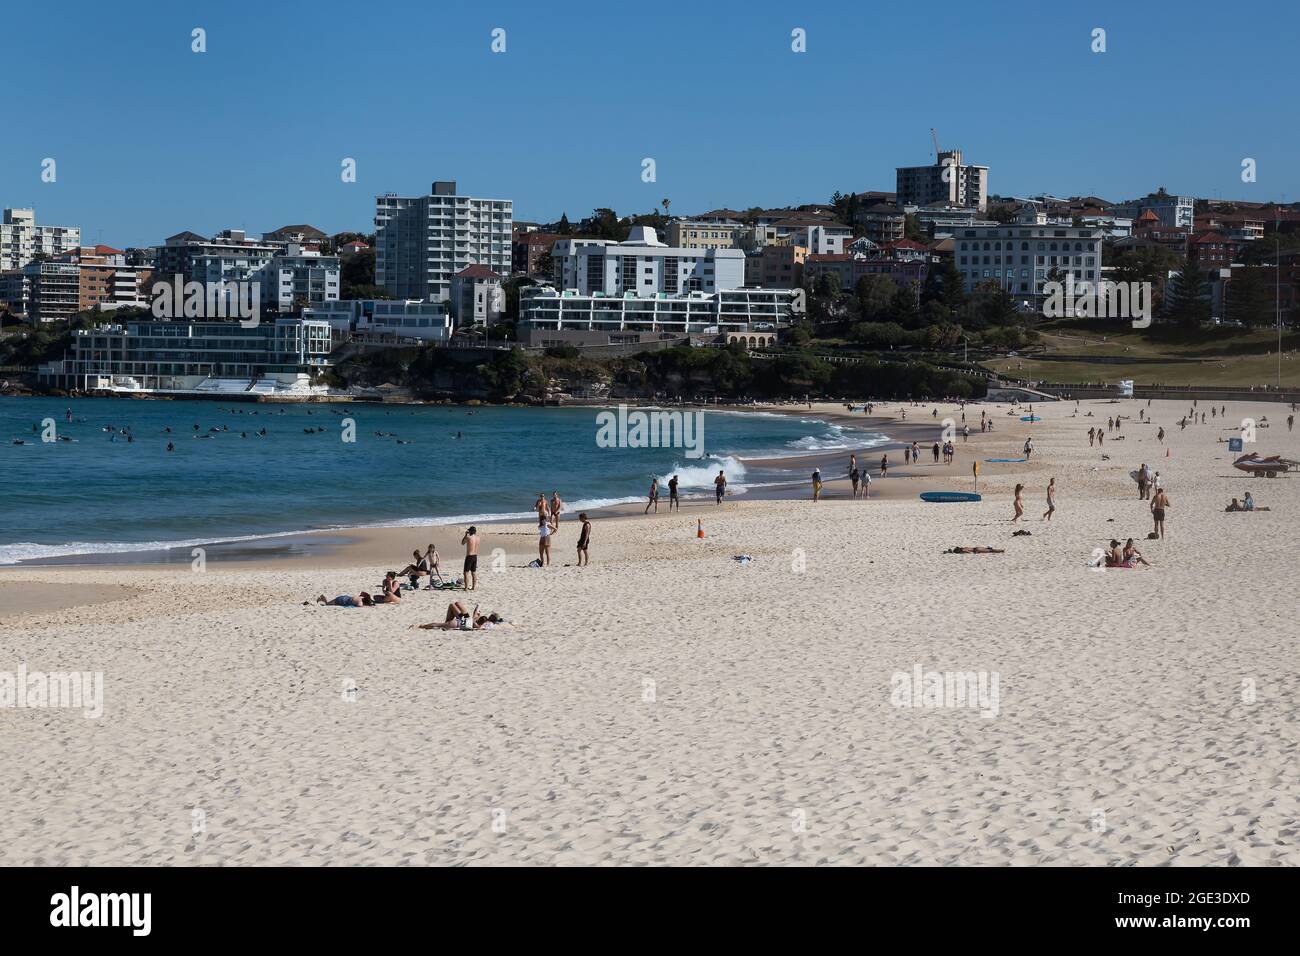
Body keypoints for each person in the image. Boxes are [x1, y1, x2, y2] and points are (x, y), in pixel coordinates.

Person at [413, 602, 506, 631]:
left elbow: (479, 628)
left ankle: (421, 626)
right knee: (453, 605)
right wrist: (477, 611)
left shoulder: (488, 624)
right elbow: (475, 617)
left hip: (463, 622)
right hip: (465, 620)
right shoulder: (485, 620)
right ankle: (446, 625)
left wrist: (475, 620)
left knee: (439, 624)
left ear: (492, 618)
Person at [461, 526, 480, 591]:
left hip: (469, 556)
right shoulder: (478, 538)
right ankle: (473, 587)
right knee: (473, 572)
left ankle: (466, 588)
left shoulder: (468, 538)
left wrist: (465, 535)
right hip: (475, 556)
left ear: (471, 531)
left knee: (466, 572)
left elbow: (462, 543)